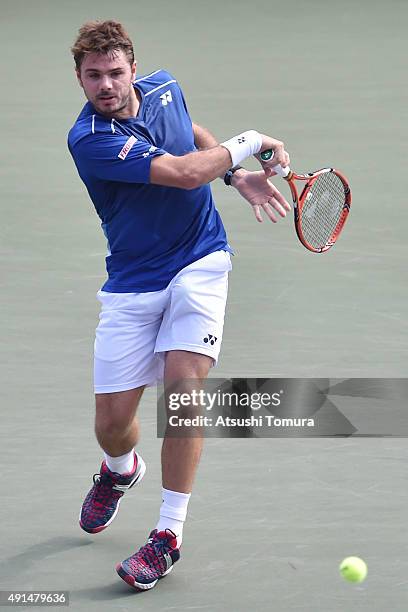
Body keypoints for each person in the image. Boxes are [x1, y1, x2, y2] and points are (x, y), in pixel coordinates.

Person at [68, 19, 290, 592]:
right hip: (133, 283)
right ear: (80, 79)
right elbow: (188, 173)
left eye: (116, 73)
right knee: (113, 426)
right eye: (94, 76)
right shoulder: (89, 138)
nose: (106, 85)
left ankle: (168, 534)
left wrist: (236, 172)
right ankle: (120, 471)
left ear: (134, 70)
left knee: (184, 390)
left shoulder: (165, 88)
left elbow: (190, 135)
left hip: (200, 260)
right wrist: (252, 141)